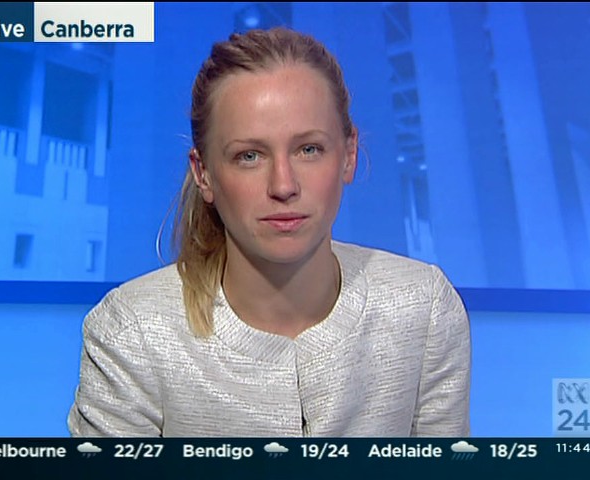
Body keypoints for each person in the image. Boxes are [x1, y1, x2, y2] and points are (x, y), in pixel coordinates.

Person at [67, 27, 471, 437]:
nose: (283, 185)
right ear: (203, 173)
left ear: (349, 155)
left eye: (309, 149)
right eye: (249, 156)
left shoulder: (423, 308)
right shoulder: (132, 333)